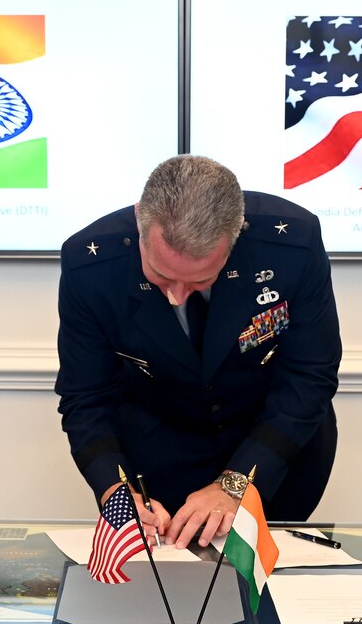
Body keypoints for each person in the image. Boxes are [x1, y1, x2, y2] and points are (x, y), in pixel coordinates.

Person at [55, 155, 341, 549]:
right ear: (140, 221)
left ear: (235, 236)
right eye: (160, 275)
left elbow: (310, 376)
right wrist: (115, 492)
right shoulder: (90, 265)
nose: (175, 296)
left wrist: (236, 482)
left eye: (200, 280)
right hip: (156, 457)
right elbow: (86, 396)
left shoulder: (291, 243)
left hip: (272, 453)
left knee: (267, 594)